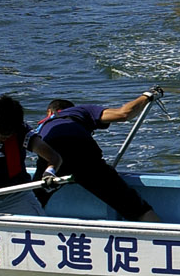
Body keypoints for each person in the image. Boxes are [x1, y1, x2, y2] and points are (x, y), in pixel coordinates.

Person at [33, 90, 164, 222]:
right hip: (82, 150)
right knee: (135, 208)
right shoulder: (80, 110)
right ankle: (159, 234)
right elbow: (124, 114)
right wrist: (147, 96)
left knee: (30, 201)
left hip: (50, 153)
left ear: (49, 112)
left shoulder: (40, 126)